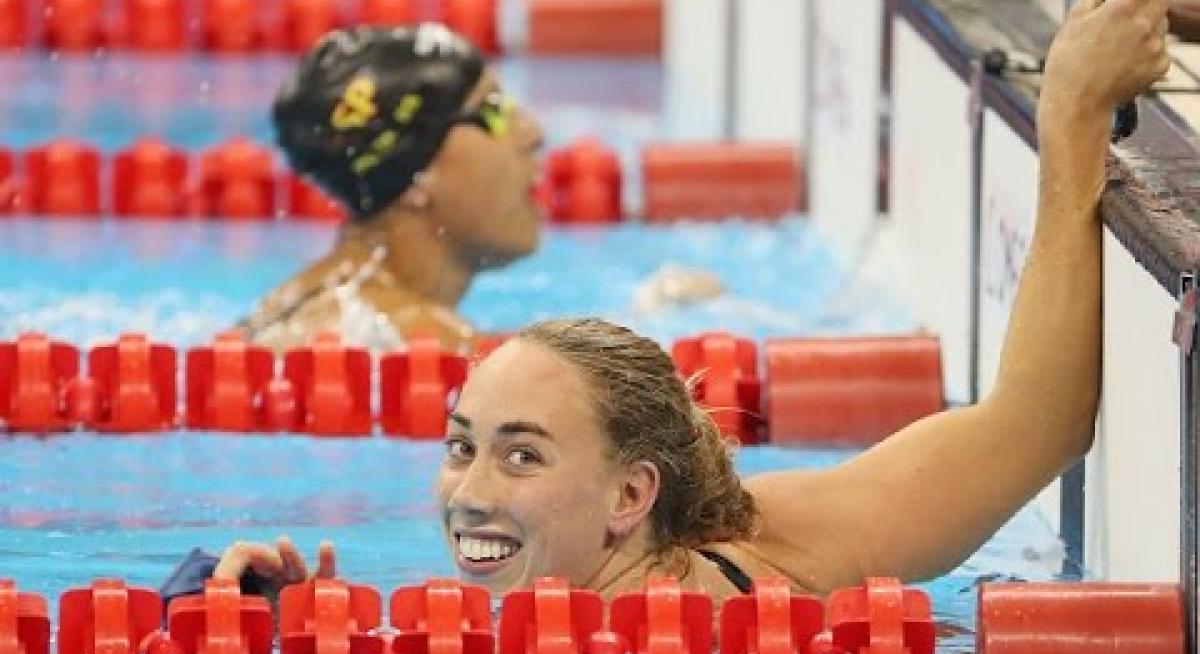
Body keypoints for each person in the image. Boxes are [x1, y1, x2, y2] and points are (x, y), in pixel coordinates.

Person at [214, 0, 1170, 605]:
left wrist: (1072, 113)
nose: (468, 491)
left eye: (520, 453)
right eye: (463, 445)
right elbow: (1030, 429)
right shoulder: (748, 541)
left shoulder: (738, 560)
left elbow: (1032, 425)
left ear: (635, 494)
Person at [239, 23, 544, 353]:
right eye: (493, 109)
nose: (532, 133)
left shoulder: (280, 311)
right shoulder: (430, 341)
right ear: (418, 170)